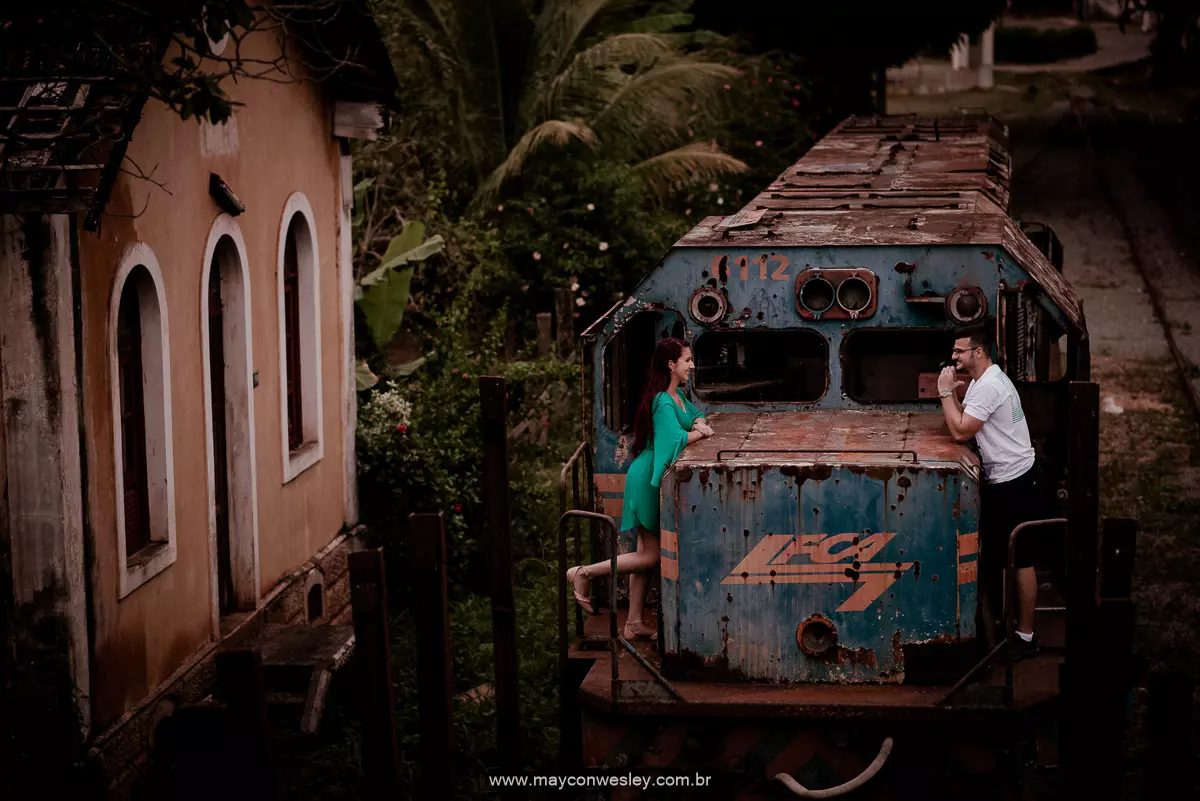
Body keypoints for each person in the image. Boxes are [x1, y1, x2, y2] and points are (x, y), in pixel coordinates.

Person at [567, 338, 714, 640]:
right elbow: (672, 441)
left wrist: (699, 423)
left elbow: (695, 414)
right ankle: (582, 573)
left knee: (642, 552)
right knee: (652, 556)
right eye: (687, 360)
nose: (692, 365)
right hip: (648, 478)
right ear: (671, 365)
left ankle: (633, 622)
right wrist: (698, 434)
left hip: (647, 473)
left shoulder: (678, 396)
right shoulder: (662, 400)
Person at [937, 322, 1048, 661]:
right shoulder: (987, 379)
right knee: (1003, 555)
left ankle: (1025, 638)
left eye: (960, 351)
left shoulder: (986, 387)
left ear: (979, 352)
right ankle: (1003, 623)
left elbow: (959, 431)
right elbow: (965, 420)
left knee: (1021, 560)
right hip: (1011, 478)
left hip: (1015, 482)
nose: (954, 356)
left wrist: (944, 392)